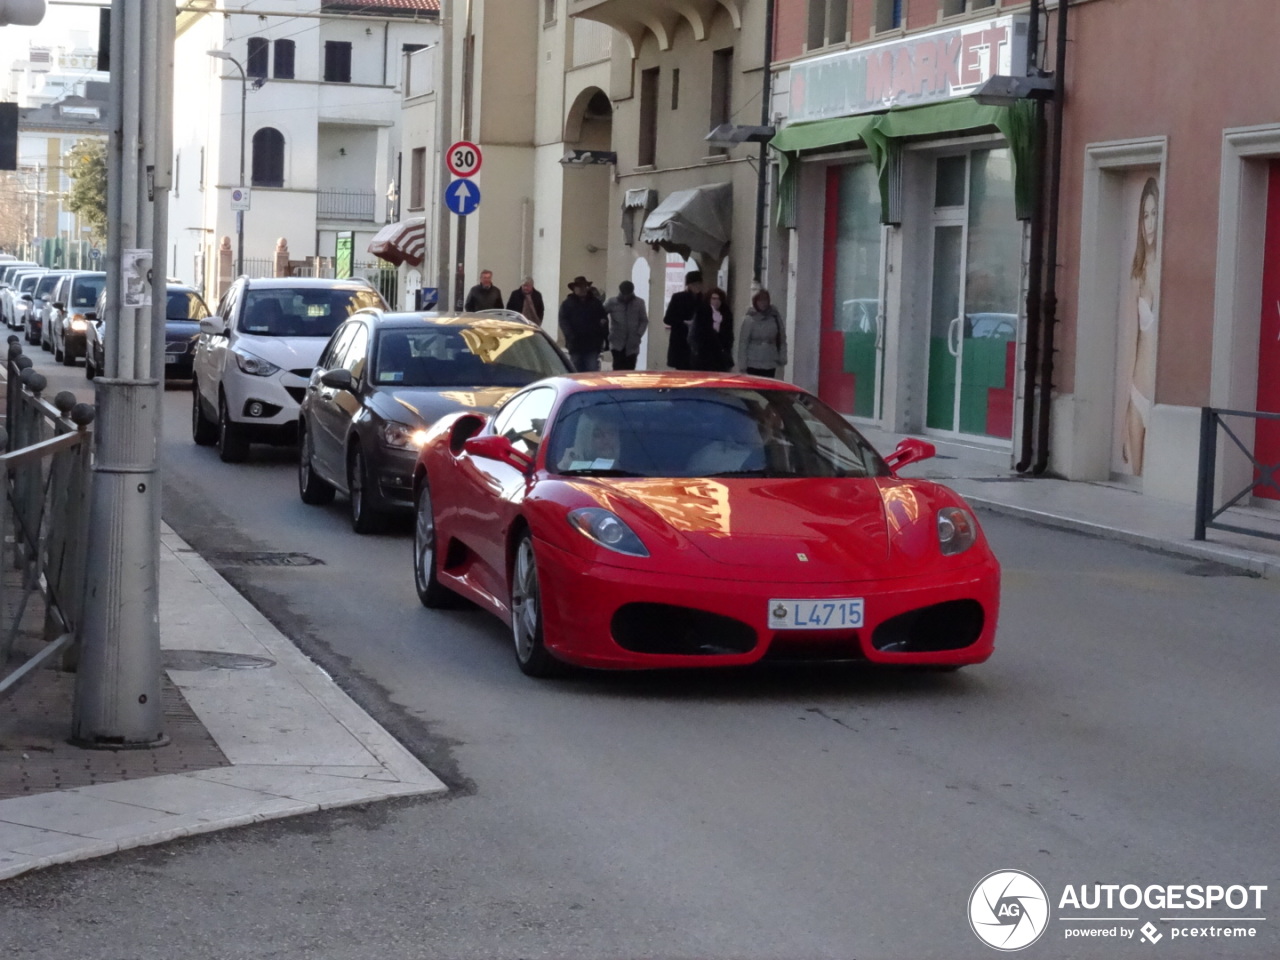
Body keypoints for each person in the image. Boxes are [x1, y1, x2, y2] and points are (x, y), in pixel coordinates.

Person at [1123, 177, 1160, 476]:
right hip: (1137, 392)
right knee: (1134, 480)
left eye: (1155, 214)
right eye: (1145, 215)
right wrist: (1127, 402)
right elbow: (1136, 338)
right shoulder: (1139, 269)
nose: (1149, 223)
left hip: (1158, 396)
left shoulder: (1165, 267)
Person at [558, 275, 608, 372]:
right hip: (575, 345)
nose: (582, 289)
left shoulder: (595, 303)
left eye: (584, 287)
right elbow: (563, 321)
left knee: (592, 369)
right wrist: (570, 336)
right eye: (579, 287)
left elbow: (603, 319)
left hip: (592, 345)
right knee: (575, 370)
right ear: (574, 289)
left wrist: (601, 334)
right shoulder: (567, 304)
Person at [737, 289, 787, 378]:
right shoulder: (749, 318)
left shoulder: (774, 316)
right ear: (755, 302)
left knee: (768, 387)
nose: (763, 303)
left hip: (770, 360)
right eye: (760, 300)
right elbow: (743, 342)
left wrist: (782, 356)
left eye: (765, 300)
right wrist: (742, 364)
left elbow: (781, 337)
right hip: (753, 361)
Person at [603, 280, 648, 371]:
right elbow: (600, 313)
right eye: (624, 294)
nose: (626, 296)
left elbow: (644, 320)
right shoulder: (611, 302)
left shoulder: (639, 302)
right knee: (617, 368)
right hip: (616, 341)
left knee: (630, 368)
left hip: (632, 343)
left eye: (628, 294)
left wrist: (638, 334)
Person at [662, 271, 702, 370]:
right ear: (688, 285)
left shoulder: (703, 299)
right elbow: (668, 319)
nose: (697, 287)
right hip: (680, 342)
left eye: (699, 284)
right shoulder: (678, 298)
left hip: (697, 343)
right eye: (694, 284)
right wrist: (683, 322)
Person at [688, 286, 734, 372]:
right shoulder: (702, 313)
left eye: (719, 299)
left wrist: (726, 350)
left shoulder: (726, 314)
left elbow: (729, 335)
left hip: (721, 356)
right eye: (714, 299)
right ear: (709, 299)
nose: (716, 301)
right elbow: (694, 334)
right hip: (703, 355)